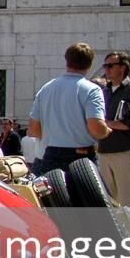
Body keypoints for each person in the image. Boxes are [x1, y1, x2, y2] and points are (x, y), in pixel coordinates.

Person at [28, 42, 110, 176]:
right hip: (81, 157)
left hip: (51, 154)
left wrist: (56, 135)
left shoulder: (46, 89)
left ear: (67, 61)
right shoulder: (92, 90)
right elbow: (96, 128)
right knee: (84, 197)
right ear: (89, 65)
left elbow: (34, 129)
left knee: (52, 196)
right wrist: (106, 130)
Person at [96, 51, 130, 214]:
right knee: (106, 206)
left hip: (124, 152)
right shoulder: (104, 91)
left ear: (123, 68)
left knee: (128, 206)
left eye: (110, 66)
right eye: (105, 66)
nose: (106, 69)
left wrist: (109, 124)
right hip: (103, 152)